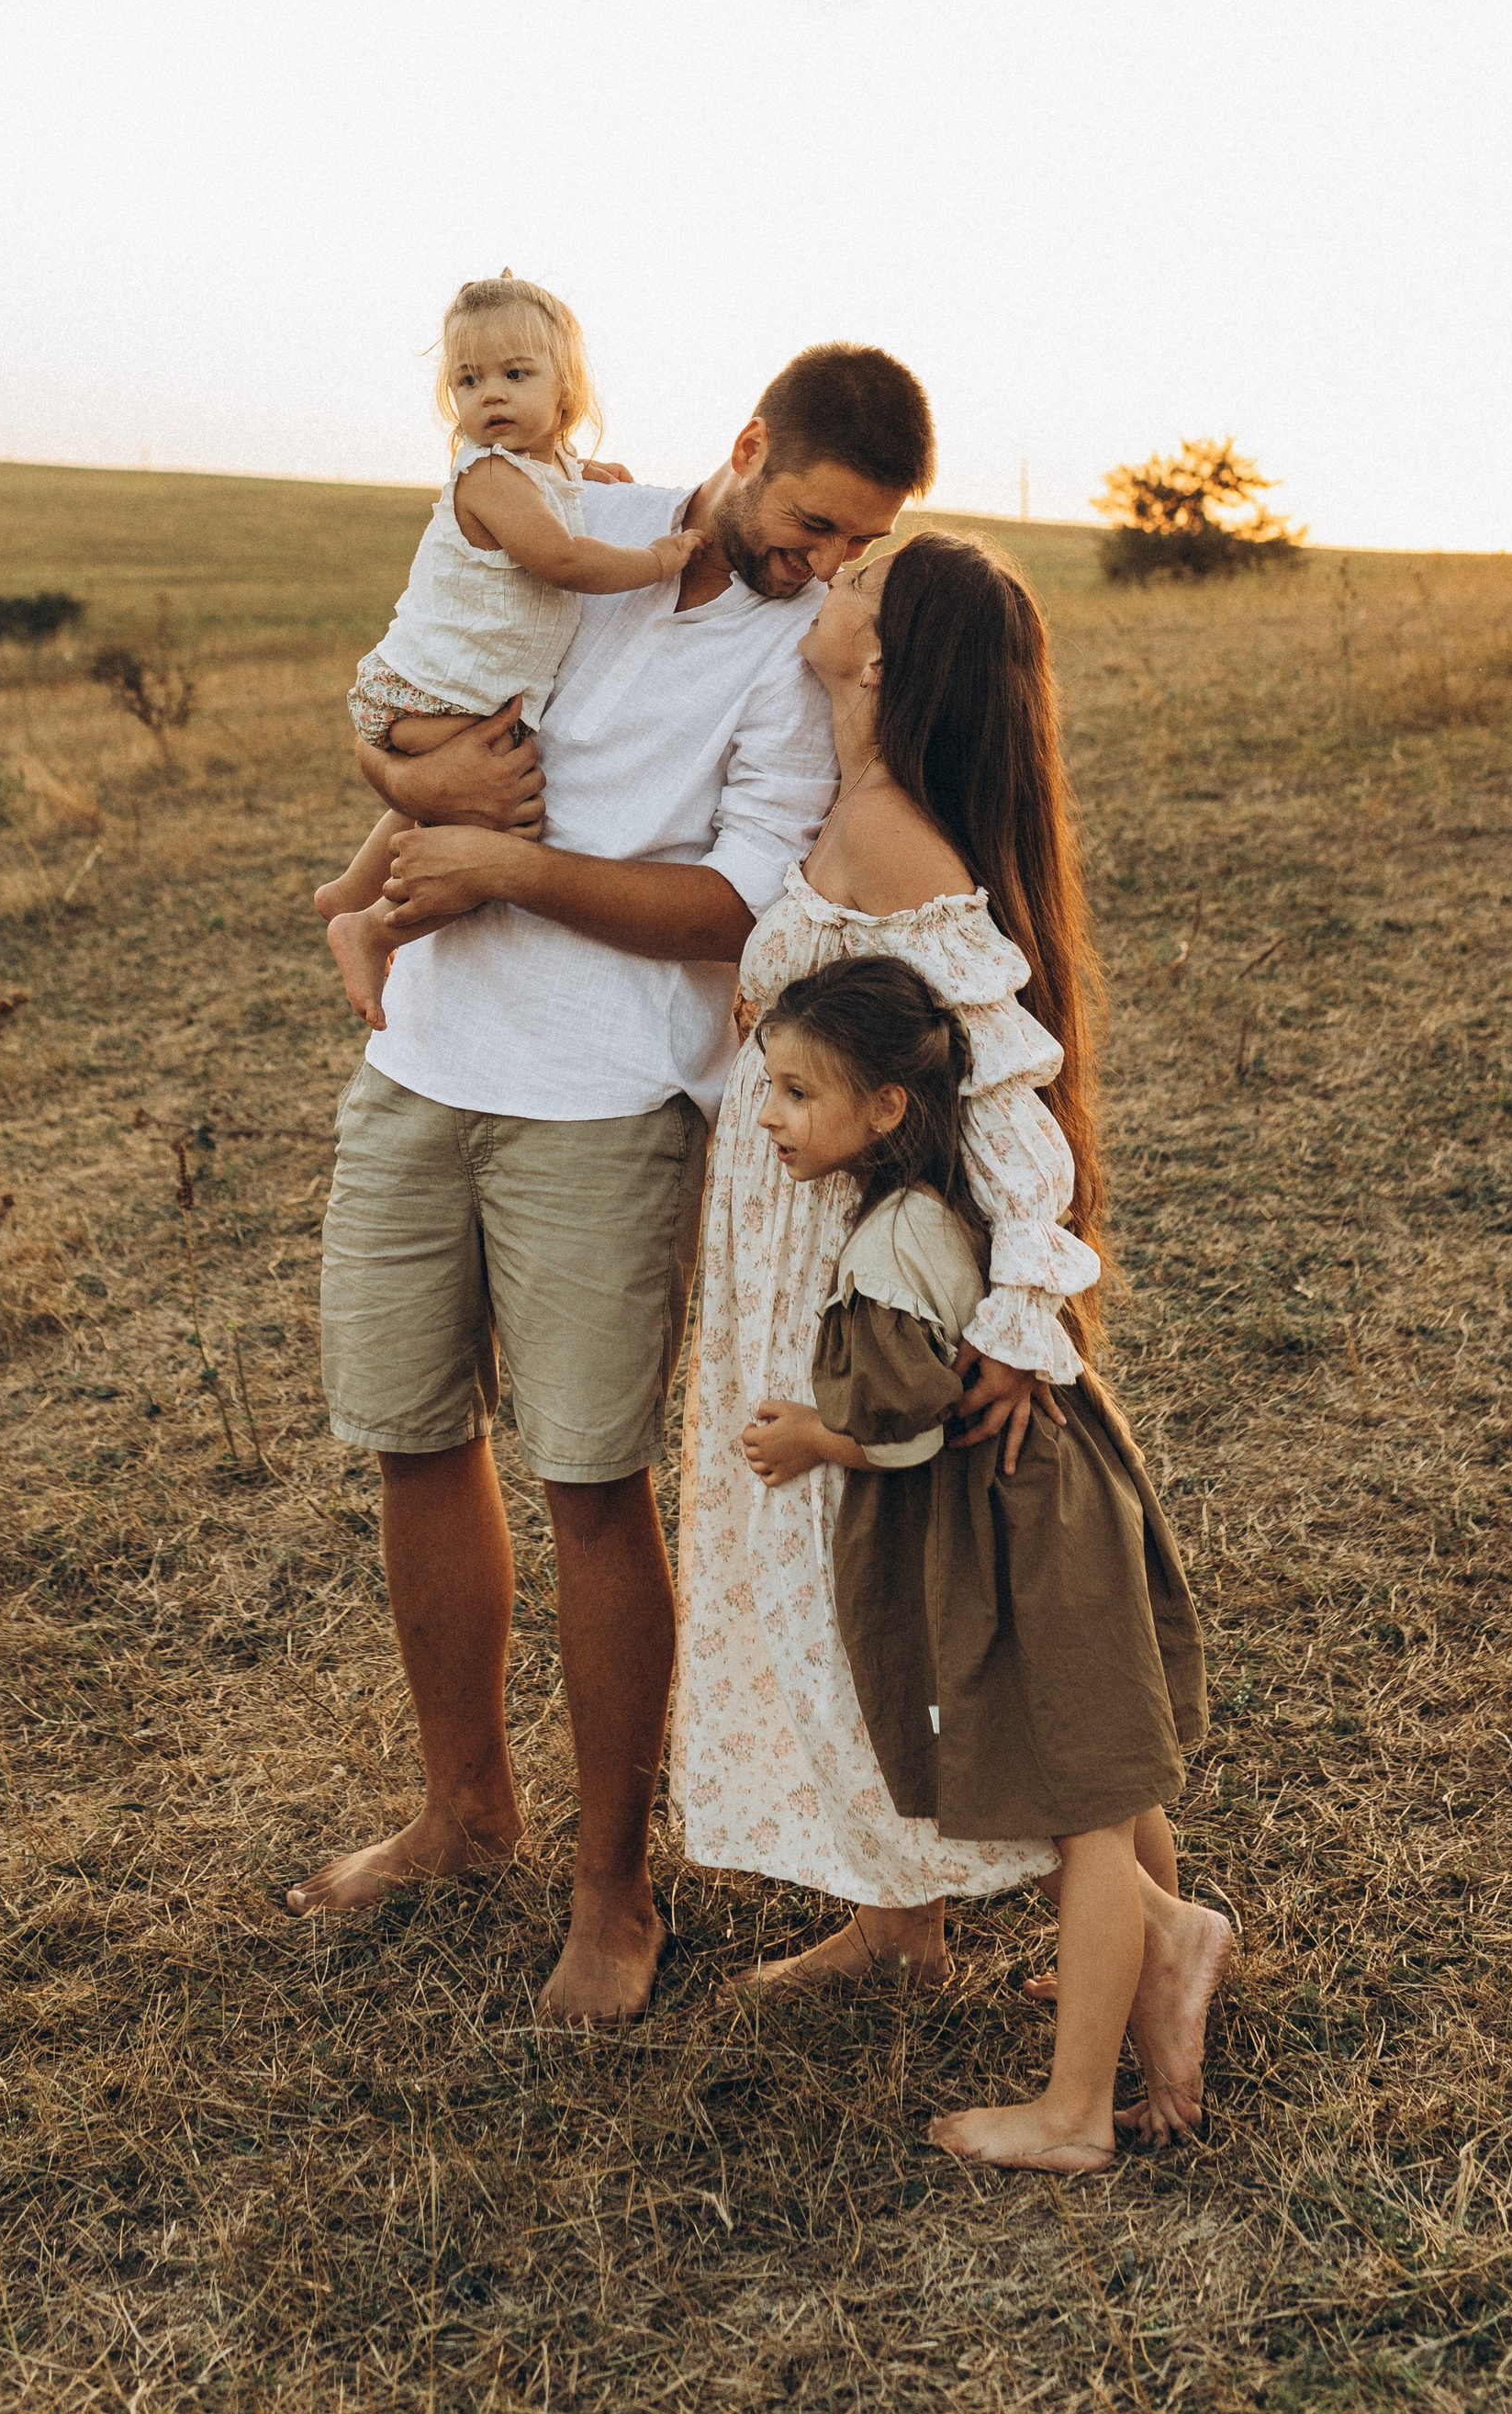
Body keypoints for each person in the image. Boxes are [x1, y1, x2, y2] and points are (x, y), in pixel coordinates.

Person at [286, 342, 937, 2021]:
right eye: (810, 523)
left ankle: (612, 1888)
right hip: (423, 1060)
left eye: (857, 543)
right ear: (748, 446)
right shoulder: (579, 529)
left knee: (590, 1480)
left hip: (612, 1098)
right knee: (412, 1442)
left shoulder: (803, 652)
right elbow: (413, 688)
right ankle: (463, 1812)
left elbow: (734, 907)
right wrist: (407, 786)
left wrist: (508, 863)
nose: (824, 565)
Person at [673, 525, 1234, 2146]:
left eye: (861, 582)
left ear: (879, 656)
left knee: (873, 1599)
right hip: (800, 1248)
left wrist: (1019, 1315)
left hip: (848, 1286)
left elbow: (1006, 1091)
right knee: (841, 1600)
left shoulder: (886, 831)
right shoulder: (849, 803)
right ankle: (897, 1917)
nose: (834, 581)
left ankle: (1136, 1946)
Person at [735, 952, 1208, 2176]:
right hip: (1060, 1494)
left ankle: (1076, 2107)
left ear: (885, 1107)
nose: (769, 1116)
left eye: (796, 1092)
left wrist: (812, 1438)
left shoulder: (890, 1246)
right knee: (1108, 1778)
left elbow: (909, 1428)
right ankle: (1153, 1980)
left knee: (1079, 1812)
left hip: (1015, 1523)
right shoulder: (959, 1196)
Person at [315, 274, 701, 1028]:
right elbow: (562, 559)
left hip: (438, 690)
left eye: (516, 374)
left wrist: (585, 475)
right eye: (469, 380)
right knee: (502, 822)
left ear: (566, 392)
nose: (490, 394)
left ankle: (350, 890)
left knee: (457, 795)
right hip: (430, 695)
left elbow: (554, 489)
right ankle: (372, 928)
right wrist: (657, 560)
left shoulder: (540, 471)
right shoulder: (490, 476)